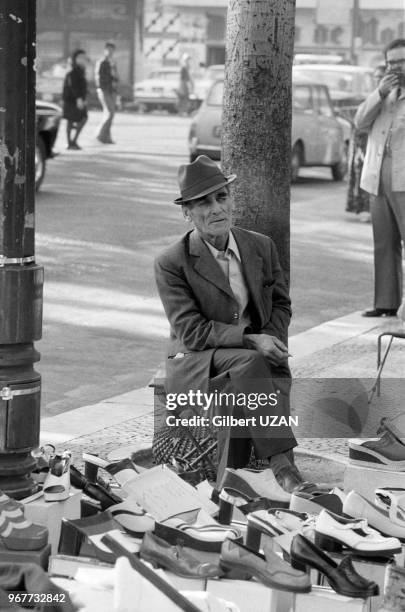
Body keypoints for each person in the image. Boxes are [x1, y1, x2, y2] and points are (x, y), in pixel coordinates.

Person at [154, 155, 302, 493]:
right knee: (250, 362)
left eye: (222, 197)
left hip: (248, 361)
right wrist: (254, 341)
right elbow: (192, 332)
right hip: (196, 359)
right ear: (186, 212)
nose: (216, 208)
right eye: (203, 203)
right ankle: (282, 465)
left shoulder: (260, 246)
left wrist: (273, 341)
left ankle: (232, 477)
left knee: (252, 370)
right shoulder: (171, 262)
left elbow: (281, 304)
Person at [356, 39, 405, 318]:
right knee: (383, 241)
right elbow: (360, 122)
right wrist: (378, 92)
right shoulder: (384, 93)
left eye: (401, 61)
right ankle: (385, 302)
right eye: (391, 62)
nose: (395, 67)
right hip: (377, 176)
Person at [345, 64, 385, 219]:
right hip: (362, 144)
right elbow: (359, 122)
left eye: (381, 77)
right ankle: (364, 209)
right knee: (363, 178)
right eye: (376, 77)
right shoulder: (372, 97)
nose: (378, 80)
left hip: (376, 146)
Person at [62, 49, 88, 150]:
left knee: (83, 118)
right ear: (75, 59)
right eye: (81, 57)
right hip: (71, 100)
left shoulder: (81, 70)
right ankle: (70, 143)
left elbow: (82, 86)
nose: (83, 59)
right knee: (71, 120)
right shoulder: (72, 70)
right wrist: (79, 99)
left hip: (79, 99)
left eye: (84, 58)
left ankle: (73, 141)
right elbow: (73, 86)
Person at [95, 42, 119, 144]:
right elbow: (99, 77)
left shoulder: (112, 63)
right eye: (108, 49)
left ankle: (107, 137)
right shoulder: (102, 62)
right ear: (105, 50)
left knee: (110, 114)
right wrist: (104, 88)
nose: (110, 52)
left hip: (112, 90)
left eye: (112, 50)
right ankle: (100, 134)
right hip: (105, 90)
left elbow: (116, 77)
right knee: (110, 113)